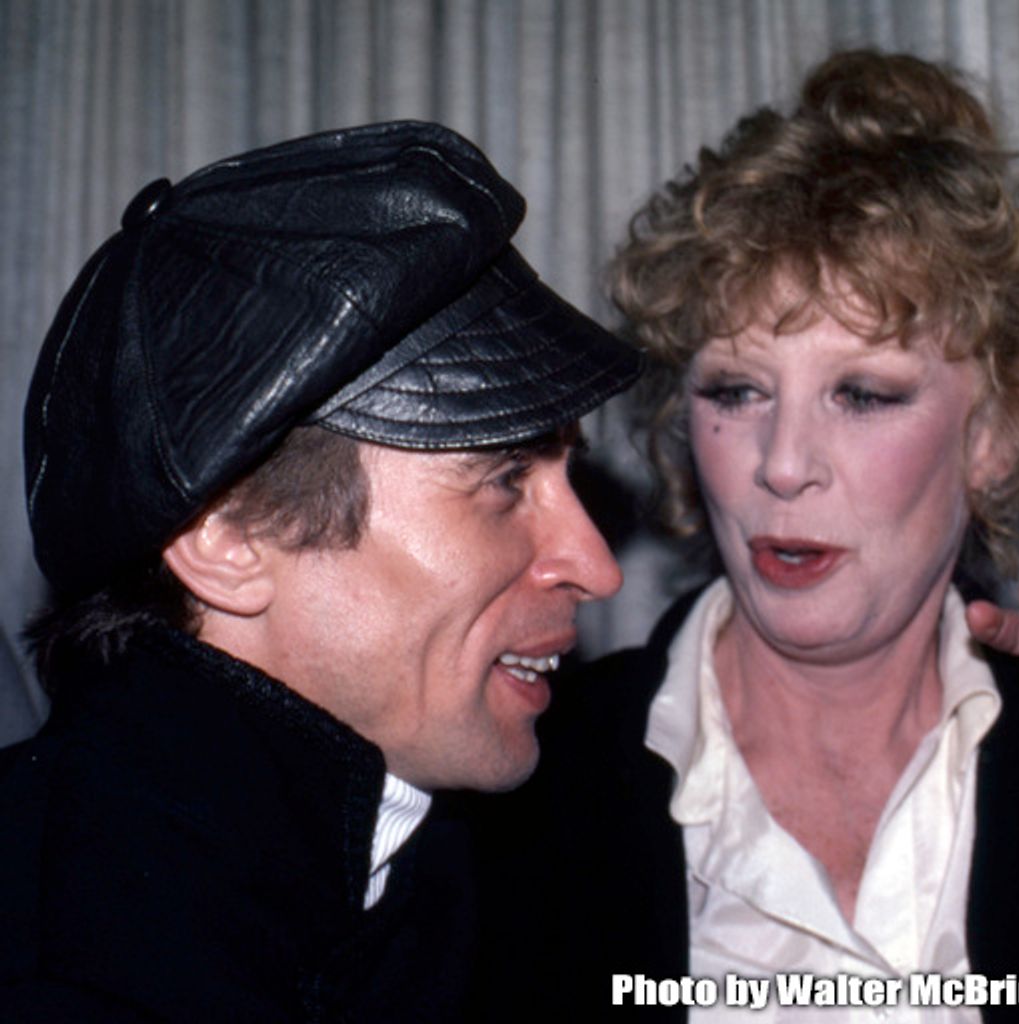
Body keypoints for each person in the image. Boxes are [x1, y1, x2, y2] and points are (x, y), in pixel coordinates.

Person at [466, 52, 1019, 1021]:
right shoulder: (514, 782)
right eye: (736, 390)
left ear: (996, 430)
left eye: (862, 393)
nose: (781, 463)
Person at [0, 121, 640, 1020]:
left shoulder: (470, 886)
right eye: (503, 480)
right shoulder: (62, 966)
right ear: (227, 537)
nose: (597, 567)